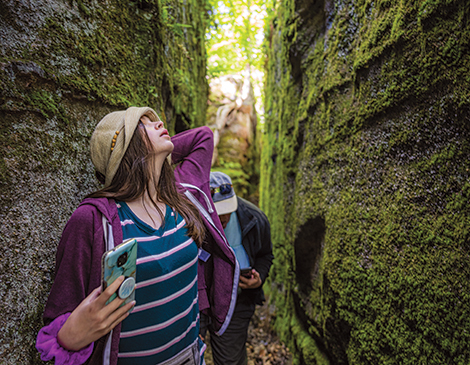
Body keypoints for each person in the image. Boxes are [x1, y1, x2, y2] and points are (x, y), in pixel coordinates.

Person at [36, 107, 238, 365]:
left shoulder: (179, 196)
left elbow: (203, 137)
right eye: (142, 125)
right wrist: (71, 336)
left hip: (191, 356)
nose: (158, 123)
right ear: (124, 147)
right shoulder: (92, 220)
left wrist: (154, 155)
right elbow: (60, 316)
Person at [207, 171, 274, 365]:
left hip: (237, 302)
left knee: (230, 359)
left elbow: (265, 255)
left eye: (228, 209)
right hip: (199, 303)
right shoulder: (187, 217)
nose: (224, 217)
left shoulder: (254, 218)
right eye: (219, 212)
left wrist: (259, 277)